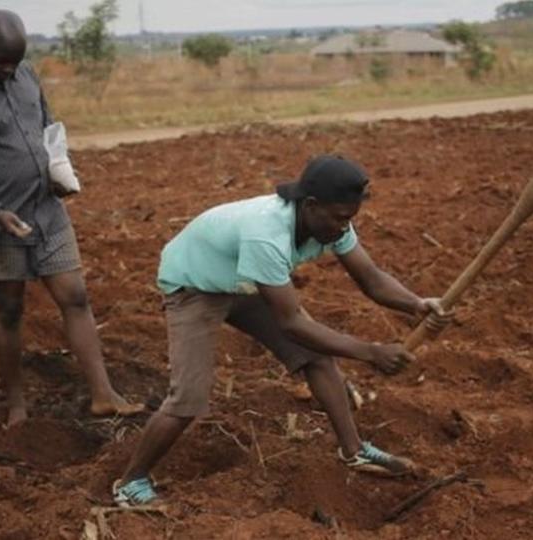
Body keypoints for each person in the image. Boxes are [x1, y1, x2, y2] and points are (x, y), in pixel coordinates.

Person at [113, 155, 453, 508]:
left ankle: (354, 450)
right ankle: (130, 482)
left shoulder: (333, 223)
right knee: (188, 397)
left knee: (317, 357)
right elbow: (292, 323)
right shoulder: (267, 235)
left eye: (350, 218)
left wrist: (416, 304)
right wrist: (371, 351)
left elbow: (370, 278)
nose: (344, 227)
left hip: (245, 281)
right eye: (340, 218)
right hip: (195, 287)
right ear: (310, 205)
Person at [0, 10, 141, 426]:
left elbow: (47, 127)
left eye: (15, 62)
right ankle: (17, 406)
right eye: (0, 62)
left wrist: (60, 170)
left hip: (47, 210)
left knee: (75, 297)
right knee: (9, 309)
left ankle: (103, 394)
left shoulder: (24, 76)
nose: (8, 70)